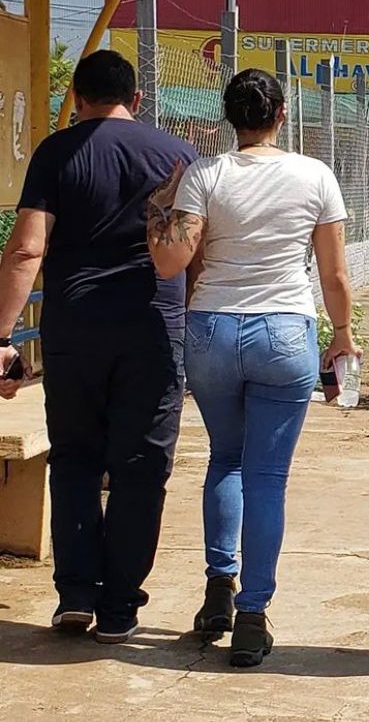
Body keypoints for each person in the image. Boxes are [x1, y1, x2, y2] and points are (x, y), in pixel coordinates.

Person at [146, 68, 359, 668]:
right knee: (267, 477)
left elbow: (170, 262)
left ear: (228, 117)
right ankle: (251, 616)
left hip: (212, 328)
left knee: (225, 459)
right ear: (282, 114)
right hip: (285, 332)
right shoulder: (315, 176)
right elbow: (334, 274)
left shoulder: (205, 174)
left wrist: (161, 205)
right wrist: (342, 335)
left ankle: (219, 588)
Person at [0, 50, 196, 643]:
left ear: (78, 99)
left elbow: (27, 249)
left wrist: (1, 337)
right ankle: (119, 609)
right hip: (154, 330)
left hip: (75, 330)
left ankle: (76, 595)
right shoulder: (177, 156)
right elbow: (192, 253)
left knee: (76, 459)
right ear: (136, 98)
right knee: (141, 468)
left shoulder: (57, 152)